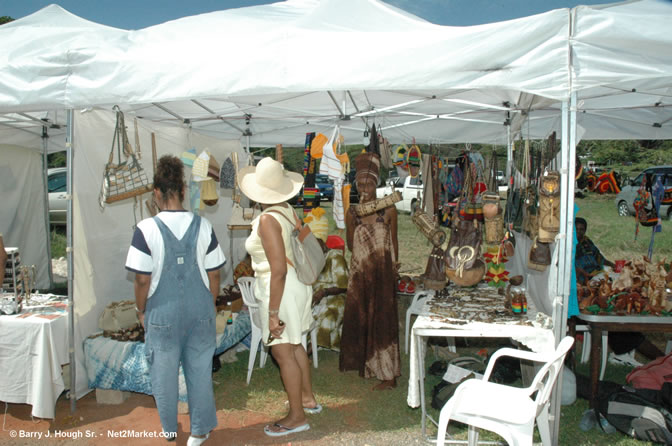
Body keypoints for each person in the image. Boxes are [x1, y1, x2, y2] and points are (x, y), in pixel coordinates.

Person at [125, 155, 225, 446]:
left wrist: (140, 310)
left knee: (164, 375)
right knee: (200, 371)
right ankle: (199, 431)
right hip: (201, 310)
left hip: (162, 314)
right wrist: (210, 302)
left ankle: (170, 430)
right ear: (183, 191)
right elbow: (215, 273)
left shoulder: (145, 230)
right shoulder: (203, 226)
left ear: (156, 193)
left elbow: (142, 280)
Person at [238, 157, 319, 437]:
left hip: (281, 291)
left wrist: (272, 314)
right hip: (297, 287)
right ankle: (307, 399)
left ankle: (297, 416)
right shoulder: (286, 210)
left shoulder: (267, 220)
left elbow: (278, 270)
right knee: (296, 345)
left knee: (282, 352)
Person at [340, 152, 401, 391]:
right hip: (360, 273)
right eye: (360, 184)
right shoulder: (352, 213)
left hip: (383, 273)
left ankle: (389, 375)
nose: (364, 188)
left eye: (369, 183)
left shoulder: (389, 211)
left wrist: (394, 269)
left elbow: (394, 242)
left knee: (383, 320)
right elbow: (349, 245)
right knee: (363, 317)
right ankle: (368, 365)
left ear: (377, 184)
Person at [574, 217, 663, 365]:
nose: (579, 232)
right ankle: (661, 359)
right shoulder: (568, 247)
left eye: (582, 229)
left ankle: (638, 354)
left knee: (626, 300)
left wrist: (615, 266)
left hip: (599, 281)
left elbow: (600, 259)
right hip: (585, 289)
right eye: (576, 229)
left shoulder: (586, 243)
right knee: (618, 320)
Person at [304, 208, 348, 351]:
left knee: (327, 317)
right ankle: (311, 346)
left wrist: (324, 292)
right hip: (315, 300)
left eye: (314, 242)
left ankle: (308, 352)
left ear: (323, 242)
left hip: (336, 299)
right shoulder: (310, 259)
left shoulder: (335, 257)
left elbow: (345, 286)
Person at [575, 217, 615, 285]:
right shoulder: (568, 245)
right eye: (576, 229)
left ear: (585, 231)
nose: (578, 231)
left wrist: (613, 265)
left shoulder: (587, 242)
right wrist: (582, 272)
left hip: (595, 274)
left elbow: (599, 257)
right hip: (581, 278)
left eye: (581, 229)